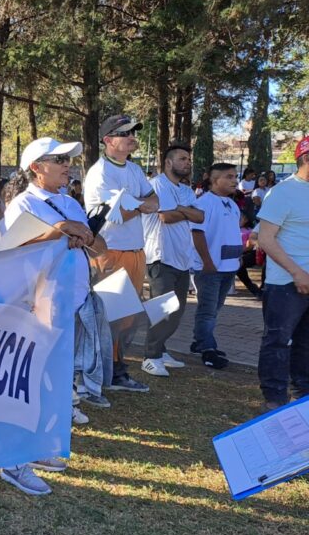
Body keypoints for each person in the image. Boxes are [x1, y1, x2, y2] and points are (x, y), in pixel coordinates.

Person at [0, 138, 108, 495]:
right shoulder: (23, 203)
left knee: (54, 379)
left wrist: (86, 235)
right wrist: (59, 232)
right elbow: (12, 248)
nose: (68, 165)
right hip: (35, 303)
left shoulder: (69, 202)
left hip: (69, 300)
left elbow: (97, 246)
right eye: (59, 160)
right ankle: (12, 460)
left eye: (69, 160)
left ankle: (40, 447)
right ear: (36, 168)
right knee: (26, 379)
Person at [83, 115, 159, 392]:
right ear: (107, 140)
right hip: (110, 252)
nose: (131, 137)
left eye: (132, 132)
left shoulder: (135, 170)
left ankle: (117, 370)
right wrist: (139, 206)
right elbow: (114, 215)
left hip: (136, 251)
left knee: (129, 316)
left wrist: (134, 205)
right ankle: (103, 373)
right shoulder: (100, 172)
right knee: (110, 315)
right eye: (124, 133)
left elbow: (155, 201)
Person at [140, 145, 204, 377]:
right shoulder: (157, 184)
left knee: (176, 311)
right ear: (168, 162)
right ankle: (150, 356)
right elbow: (165, 217)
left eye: (188, 159)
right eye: (182, 158)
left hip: (182, 258)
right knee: (162, 310)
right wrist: (185, 211)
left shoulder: (186, 190)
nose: (187, 162)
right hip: (160, 256)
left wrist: (180, 209)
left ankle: (161, 349)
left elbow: (200, 216)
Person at [256, 136, 309, 410]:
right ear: (305, 159)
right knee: (278, 340)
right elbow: (265, 239)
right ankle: (274, 398)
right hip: (286, 283)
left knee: (305, 343)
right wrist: (297, 273)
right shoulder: (283, 192)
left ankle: (303, 398)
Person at [190, 163, 241, 369]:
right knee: (208, 310)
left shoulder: (231, 203)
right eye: (229, 176)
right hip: (210, 268)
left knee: (215, 308)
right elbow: (197, 233)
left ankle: (201, 341)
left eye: (235, 176)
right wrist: (207, 262)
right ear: (214, 180)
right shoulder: (204, 203)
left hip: (228, 267)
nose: (234, 180)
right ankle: (207, 350)